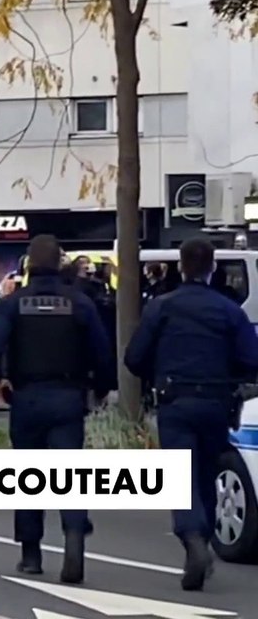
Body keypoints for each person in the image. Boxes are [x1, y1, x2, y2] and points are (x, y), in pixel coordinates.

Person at [124, 238, 258, 591]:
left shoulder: (162, 307)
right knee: (207, 474)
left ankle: (192, 538)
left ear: (181, 267)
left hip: (175, 401)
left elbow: (134, 358)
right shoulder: (230, 311)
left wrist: (157, 373)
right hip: (217, 403)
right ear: (212, 268)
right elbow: (251, 360)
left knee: (181, 478)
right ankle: (202, 537)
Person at [0, 234, 113, 584]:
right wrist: (100, 390)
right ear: (59, 264)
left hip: (26, 397)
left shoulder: (12, 304)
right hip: (69, 396)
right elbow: (102, 352)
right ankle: (73, 537)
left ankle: (31, 555)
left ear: (27, 265)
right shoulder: (80, 303)